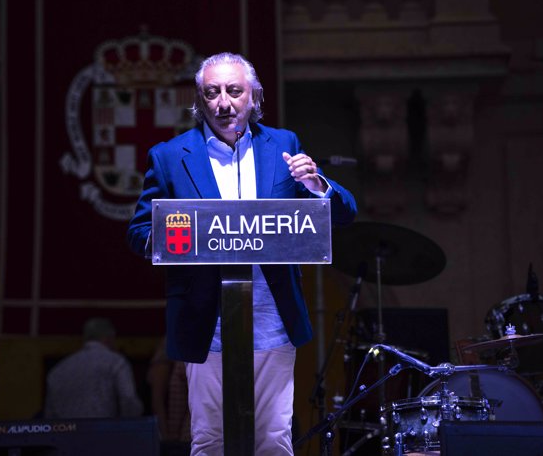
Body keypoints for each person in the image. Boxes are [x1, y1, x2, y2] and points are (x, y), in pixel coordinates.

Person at [127, 52, 357, 455]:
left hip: (273, 322)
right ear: (199, 101)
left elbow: (343, 213)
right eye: (212, 92)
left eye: (234, 91)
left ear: (254, 97)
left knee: (273, 439)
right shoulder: (169, 156)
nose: (223, 102)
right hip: (206, 322)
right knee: (209, 440)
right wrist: (167, 239)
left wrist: (317, 183)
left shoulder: (283, 146)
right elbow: (140, 231)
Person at [43, 317, 143, 419]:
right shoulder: (116, 363)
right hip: (103, 433)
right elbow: (128, 399)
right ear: (109, 338)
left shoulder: (58, 371)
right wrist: (126, 428)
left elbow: (50, 415)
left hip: (66, 433)